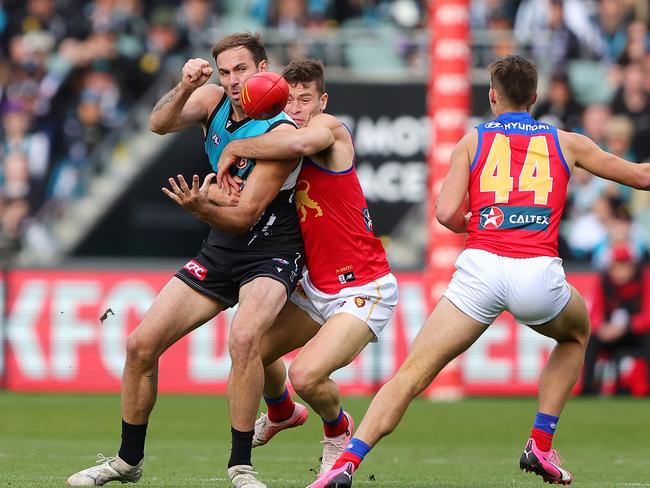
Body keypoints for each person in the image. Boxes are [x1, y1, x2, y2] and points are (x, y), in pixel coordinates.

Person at [311, 54, 650, 488]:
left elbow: (447, 213)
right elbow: (640, 177)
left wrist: (488, 221)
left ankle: (345, 466)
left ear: (492, 95)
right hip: (537, 273)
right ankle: (541, 444)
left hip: (481, 270)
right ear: (535, 97)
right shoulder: (568, 142)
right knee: (576, 335)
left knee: (411, 374)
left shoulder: (471, 142)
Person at [66, 33, 303, 488]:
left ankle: (241, 468)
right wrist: (186, 86)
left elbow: (247, 214)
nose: (234, 81)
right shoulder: (212, 100)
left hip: (271, 249)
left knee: (246, 337)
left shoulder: (281, 130)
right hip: (221, 246)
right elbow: (157, 123)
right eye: (226, 71)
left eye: (243, 70)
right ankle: (127, 461)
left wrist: (199, 207)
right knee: (139, 345)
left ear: (264, 69)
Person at [215, 59, 398, 478]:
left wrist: (234, 146)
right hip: (315, 285)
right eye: (289, 99)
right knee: (249, 354)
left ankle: (337, 430)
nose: (296, 108)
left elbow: (298, 144)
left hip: (363, 286)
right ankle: (280, 412)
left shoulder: (328, 130)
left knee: (306, 375)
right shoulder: (277, 146)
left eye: (305, 99)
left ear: (322, 100)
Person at [582, 242, 650, 395]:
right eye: (616, 266)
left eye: (624, 265)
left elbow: (647, 316)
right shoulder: (604, 282)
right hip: (610, 333)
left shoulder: (643, 279)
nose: (620, 271)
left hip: (634, 333)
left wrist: (627, 327)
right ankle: (587, 389)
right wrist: (602, 328)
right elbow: (593, 315)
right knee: (591, 340)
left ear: (632, 266)